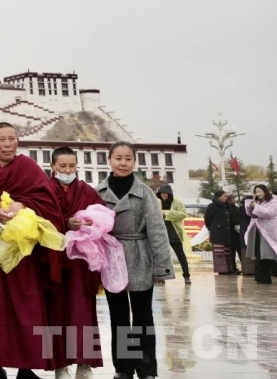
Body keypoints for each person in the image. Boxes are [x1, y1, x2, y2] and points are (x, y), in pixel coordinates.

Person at [0, 123, 64, 379]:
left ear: (18, 141)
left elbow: (49, 203)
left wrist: (23, 204)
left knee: (28, 307)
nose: (7, 144)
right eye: (1, 139)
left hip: (24, 255)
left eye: (12, 139)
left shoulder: (28, 168)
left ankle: (26, 368)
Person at [97, 141, 174, 379]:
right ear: (110, 160)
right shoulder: (98, 193)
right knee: (118, 316)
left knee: (143, 316)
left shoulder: (145, 193)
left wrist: (161, 267)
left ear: (134, 161)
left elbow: (157, 230)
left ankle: (146, 369)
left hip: (140, 256)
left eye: (128, 158)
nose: (123, 163)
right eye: (118, 158)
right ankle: (123, 368)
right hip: (111, 260)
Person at [49, 147, 103, 379]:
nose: (68, 170)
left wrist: (88, 224)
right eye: (63, 166)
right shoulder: (45, 190)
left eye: (72, 166)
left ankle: (85, 363)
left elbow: (102, 217)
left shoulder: (86, 191)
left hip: (81, 262)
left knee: (83, 312)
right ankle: (59, 366)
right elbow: (40, 219)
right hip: (55, 259)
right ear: (53, 167)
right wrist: (64, 223)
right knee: (55, 312)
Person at [156, 184, 191, 284]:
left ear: (169, 193)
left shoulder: (177, 202)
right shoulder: (157, 202)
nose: (163, 195)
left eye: (165, 193)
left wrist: (166, 213)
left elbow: (183, 214)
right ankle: (161, 277)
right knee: (161, 256)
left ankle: (186, 276)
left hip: (174, 232)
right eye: (161, 193)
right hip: (161, 233)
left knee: (181, 255)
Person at [245, 184, 277, 284]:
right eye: (256, 192)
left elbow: (269, 213)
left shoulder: (273, 201)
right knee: (260, 254)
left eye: (259, 191)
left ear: (265, 191)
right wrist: (250, 207)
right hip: (257, 231)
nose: (258, 194)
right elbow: (252, 215)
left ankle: (264, 276)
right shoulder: (257, 202)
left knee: (267, 255)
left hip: (268, 231)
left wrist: (256, 207)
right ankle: (262, 277)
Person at [204, 190, 237, 275]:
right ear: (219, 197)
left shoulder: (226, 206)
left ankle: (229, 268)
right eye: (224, 196)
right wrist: (211, 227)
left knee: (227, 251)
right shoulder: (212, 206)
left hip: (226, 232)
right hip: (217, 233)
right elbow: (207, 218)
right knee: (219, 252)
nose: (226, 198)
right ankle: (222, 269)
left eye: (226, 196)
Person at [226, 194, 244, 272]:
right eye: (232, 199)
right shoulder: (226, 209)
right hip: (230, 233)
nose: (234, 200)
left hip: (238, 233)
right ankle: (233, 268)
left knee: (240, 251)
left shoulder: (237, 208)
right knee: (231, 252)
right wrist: (237, 221)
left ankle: (244, 267)